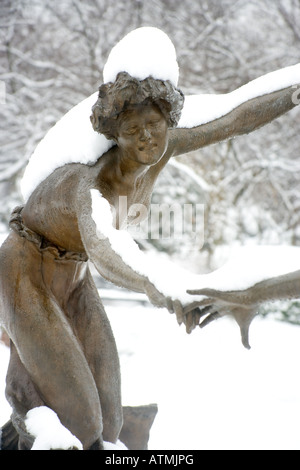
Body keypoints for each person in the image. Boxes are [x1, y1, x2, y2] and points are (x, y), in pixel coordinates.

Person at [0, 27, 299, 450]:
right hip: (23, 272)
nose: (146, 137)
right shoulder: (89, 185)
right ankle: (25, 406)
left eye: (154, 124)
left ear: (167, 121)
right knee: (80, 424)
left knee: (110, 423)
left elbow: (234, 114)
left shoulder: (165, 145)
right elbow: (104, 249)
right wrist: (157, 283)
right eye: (132, 129)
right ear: (114, 134)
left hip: (72, 270)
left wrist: (294, 89)